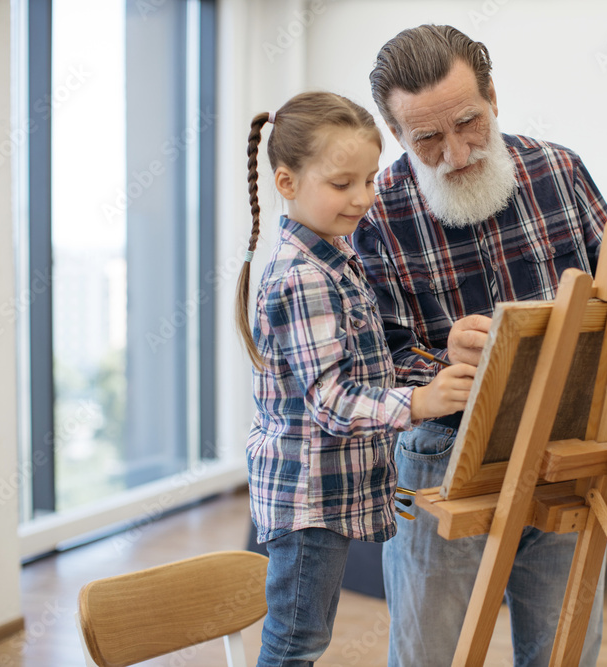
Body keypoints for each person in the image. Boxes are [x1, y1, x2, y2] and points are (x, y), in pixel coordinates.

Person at [351, 25, 607, 666]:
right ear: (396, 135)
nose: (457, 153)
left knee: (563, 651)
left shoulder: (560, 169)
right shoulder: (375, 214)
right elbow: (371, 364)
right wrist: (442, 359)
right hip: (443, 460)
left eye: (469, 123)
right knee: (429, 654)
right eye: (428, 139)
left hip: (566, 447)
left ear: (494, 96)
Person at [235, 91, 476, 666]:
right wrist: (419, 403)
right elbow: (333, 401)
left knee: (303, 635)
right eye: (342, 184)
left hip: (327, 489)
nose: (364, 198)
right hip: (307, 497)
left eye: (369, 180)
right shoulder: (305, 278)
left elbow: (366, 366)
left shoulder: (334, 260)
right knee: (296, 641)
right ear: (287, 183)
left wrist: (441, 361)